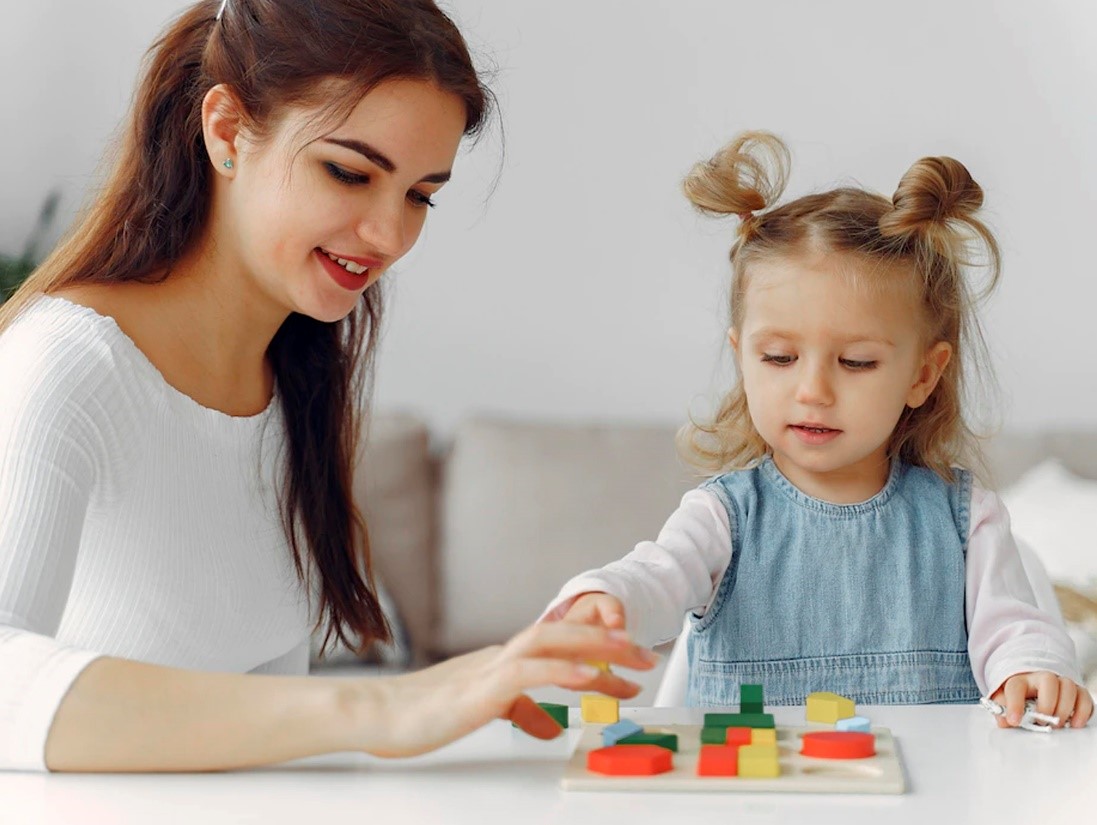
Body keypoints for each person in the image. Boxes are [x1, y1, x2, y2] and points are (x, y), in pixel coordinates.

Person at [0, 0, 656, 773]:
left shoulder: (291, 374)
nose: (390, 236)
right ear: (226, 131)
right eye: (348, 172)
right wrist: (381, 707)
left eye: (419, 194)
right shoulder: (66, 366)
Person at [543, 131, 1092, 729]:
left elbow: (1015, 627)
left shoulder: (966, 520)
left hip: (929, 783)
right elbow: (656, 578)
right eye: (779, 358)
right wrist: (607, 601)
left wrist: (1031, 668)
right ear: (742, 358)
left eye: (855, 362)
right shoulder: (722, 517)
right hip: (753, 782)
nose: (812, 391)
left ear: (922, 375)